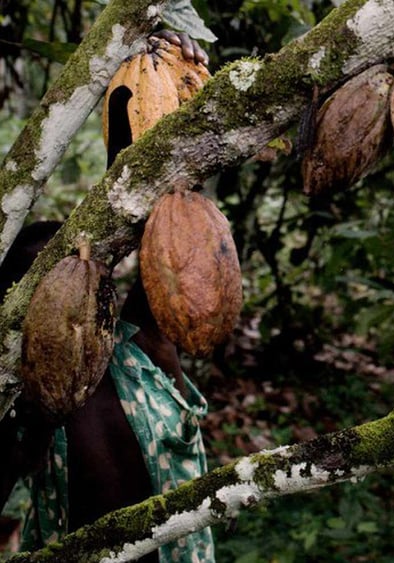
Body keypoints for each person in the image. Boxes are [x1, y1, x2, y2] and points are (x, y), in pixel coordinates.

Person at [0, 31, 215, 563]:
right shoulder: (21, 404)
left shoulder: (142, 351)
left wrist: (145, 80)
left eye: (82, 286)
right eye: (42, 291)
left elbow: (171, 229)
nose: (67, 307)